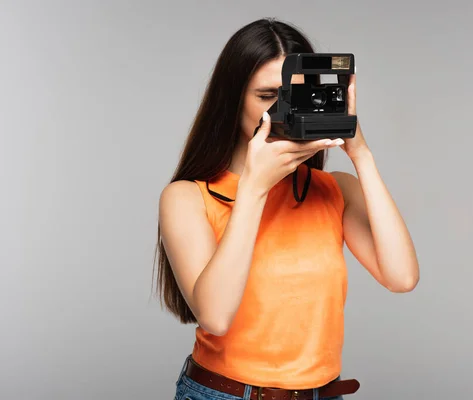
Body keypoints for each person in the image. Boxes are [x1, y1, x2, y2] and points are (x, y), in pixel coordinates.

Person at [154, 17, 419, 400]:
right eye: (266, 96)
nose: (282, 109)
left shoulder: (334, 191)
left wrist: (361, 155)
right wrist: (255, 189)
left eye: (296, 95)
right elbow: (215, 315)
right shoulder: (188, 197)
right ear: (233, 102)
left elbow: (402, 277)